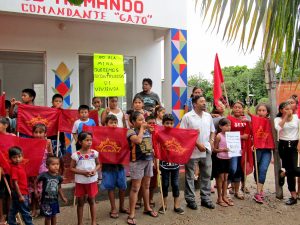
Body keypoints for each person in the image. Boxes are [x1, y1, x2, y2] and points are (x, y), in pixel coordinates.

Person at [180, 95, 215, 210]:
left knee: (206, 175)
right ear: (194, 104)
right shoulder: (187, 117)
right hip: (192, 150)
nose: (204, 103)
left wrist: (211, 142)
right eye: (201, 101)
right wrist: (197, 144)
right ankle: (190, 199)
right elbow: (183, 134)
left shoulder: (208, 116)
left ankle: (206, 198)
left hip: (206, 150)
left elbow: (212, 131)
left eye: (205, 101)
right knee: (190, 175)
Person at [127, 111, 158, 225]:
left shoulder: (146, 130)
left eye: (143, 119)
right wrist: (142, 129)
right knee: (135, 188)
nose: (143, 122)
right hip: (137, 162)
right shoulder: (131, 131)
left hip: (148, 160)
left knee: (146, 186)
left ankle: (147, 208)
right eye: (140, 120)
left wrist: (154, 158)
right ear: (133, 122)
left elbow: (151, 143)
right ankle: (131, 214)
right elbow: (138, 140)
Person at [100, 114, 128, 219]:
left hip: (119, 165)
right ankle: (113, 208)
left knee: (122, 187)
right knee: (110, 187)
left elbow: (125, 146)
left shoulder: (121, 134)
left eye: (115, 122)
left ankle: (122, 206)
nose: (113, 124)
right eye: (111, 123)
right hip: (107, 166)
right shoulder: (102, 135)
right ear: (106, 124)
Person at [70, 132, 100, 225]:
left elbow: (98, 164)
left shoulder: (94, 153)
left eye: (90, 140)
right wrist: (83, 172)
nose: (89, 142)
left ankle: (93, 222)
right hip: (80, 182)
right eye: (87, 140)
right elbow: (71, 168)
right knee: (80, 202)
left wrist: (95, 170)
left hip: (91, 181)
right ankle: (80, 223)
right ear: (80, 142)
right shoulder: (76, 155)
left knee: (92, 200)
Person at [247, 103, 273, 204]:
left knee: (263, 169)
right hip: (256, 148)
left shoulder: (271, 122)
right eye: (259, 110)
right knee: (257, 168)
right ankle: (260, 188)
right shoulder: (253, 121)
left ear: (267, 112)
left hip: (267, 149)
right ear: (257, 111)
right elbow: (250, 134)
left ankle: (258, 192)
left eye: (264, 110)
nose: (261, 112)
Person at [158, 114, 184, 214]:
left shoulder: (176, 134)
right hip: (164, 165)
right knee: (164, 184)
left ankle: (176, 205)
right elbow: (156, 145)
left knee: (176, 184)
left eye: (171, 123)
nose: (169, 125)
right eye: (167, 123)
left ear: (174, 124)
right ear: (163, 124)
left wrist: (194, 133)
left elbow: (185, 140)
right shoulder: (160, 134)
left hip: (175, 165)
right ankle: (164, 204)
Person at [274, 101, 300, 205]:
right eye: (286, 109)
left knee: (293, 169)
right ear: (281, 110)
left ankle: (283, 173)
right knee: (291, 171)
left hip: (293, 145)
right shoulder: (278, 119)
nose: (289, 110)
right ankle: (293, 196)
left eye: (290, 108)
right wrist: (285, 117)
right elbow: (278, 128)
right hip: (283, 146)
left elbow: (299, 131)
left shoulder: (296, 118)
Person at [227, 101, 250, 200]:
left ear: (243, 109)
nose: (237, 109)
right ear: (232, 108)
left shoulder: (245, 121)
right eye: (235, 107)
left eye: (239, 107)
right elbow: (226, 131)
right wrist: (236, 137)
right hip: (231, 148)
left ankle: (237, 191)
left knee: (239, 170)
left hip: (242, 148)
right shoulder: (228, 118)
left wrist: (235, 136)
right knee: (232, 168)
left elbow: (246, 136)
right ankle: (226, 189)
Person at [29, 123, 53, 218]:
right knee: (33, 191)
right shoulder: (30, 142)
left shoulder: (48, 142)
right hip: (33, 170)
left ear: (45, 133)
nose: (38, 134)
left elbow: (51, 156)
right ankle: (33, 209)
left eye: (41, 132)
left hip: (43, 170)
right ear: (32, 133)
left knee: (43, 191)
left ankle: (43, 209)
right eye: (36, 132)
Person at [35, 156, 67, 225]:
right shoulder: (44, 175)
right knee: (48, 217)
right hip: (46, 201)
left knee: (54, 215)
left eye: (57, 164)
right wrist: (36, 191)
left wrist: (62, 197)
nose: (56, 166)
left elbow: (59, 187)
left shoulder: (59, 177)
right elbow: (36, 181)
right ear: (47, 166)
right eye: (53, 164)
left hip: (55, 200)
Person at [7, 146, 33, 225]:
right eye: (14, 157)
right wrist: (20, 195)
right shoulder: (14, 168)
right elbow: (15, 183)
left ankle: (11, 222)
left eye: (19, 156)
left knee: (13, 210)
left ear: (22, 156)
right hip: (20, 193)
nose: (17, 159)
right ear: (10, 158)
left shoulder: (21, 166)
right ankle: (29, 223)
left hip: (21, 192)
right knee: (25, 211)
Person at [213, 118, 234, 207]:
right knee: (220, 179)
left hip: (228, 159)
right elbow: (214, 149)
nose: (228, 127)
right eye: (226, 126)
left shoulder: (231, 136)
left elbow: (234, 146)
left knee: (226, 178)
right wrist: (223, 150)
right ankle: (219, 198)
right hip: (220, 159)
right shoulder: (219, 136)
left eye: (229, 125)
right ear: (220, 127)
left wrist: (236, 150)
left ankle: (224, 196)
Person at [0, 117, 14, 224]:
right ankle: (1, 216)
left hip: (10, 168)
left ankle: (10, 215)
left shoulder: (12, 136)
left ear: (6, 125)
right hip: (0, 169)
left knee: (11, 192)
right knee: (0, 194)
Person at [48, 94, 66, 174]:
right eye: (56, 101)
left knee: (61, 155)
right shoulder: (48, 111)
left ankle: (61, 172)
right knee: (55, 156)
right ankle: (54, 172)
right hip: (52, 137)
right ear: (52, 102)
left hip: (60, 136)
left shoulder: (63, 111)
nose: (58, 103)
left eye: (60, 101)